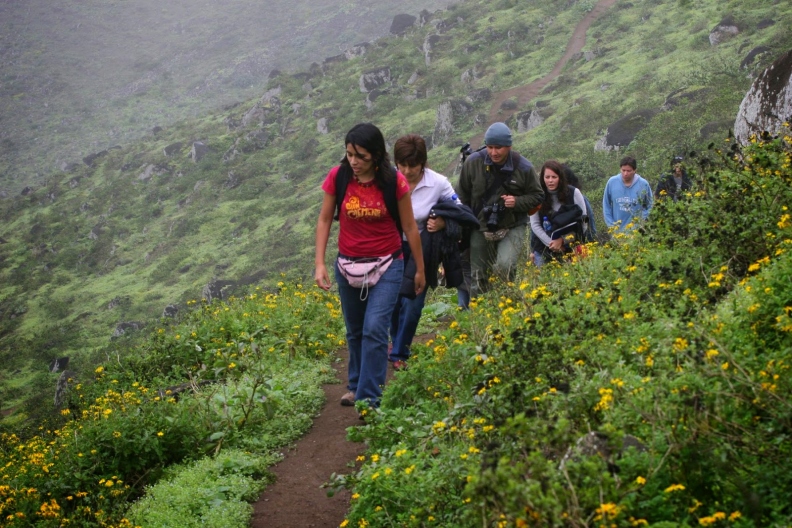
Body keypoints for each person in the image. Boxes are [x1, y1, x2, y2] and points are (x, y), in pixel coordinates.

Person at [314, 123, 425, 409]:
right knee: (355, 330)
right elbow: (325, 219)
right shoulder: (338, 177)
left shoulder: (393, 182)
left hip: (388, 264)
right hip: (347, 265)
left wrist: (421, 269)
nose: (354, 161)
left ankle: (369, 399)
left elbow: (410, 227)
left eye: (360, 156)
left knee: (375, 328)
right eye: (350, 154)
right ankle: (355, 385)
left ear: (376, 156)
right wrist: (320, 264)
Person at [388, 135, 478, 369]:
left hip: (424, 250)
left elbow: (462, 213)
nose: (407, 171)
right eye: (402, 165)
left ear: (423, 163)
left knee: (414, 302)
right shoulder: (387, 180)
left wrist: (443, 223)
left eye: (413, 166)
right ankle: (395, 340)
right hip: (391, 248)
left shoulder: (437, 183)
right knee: (393, 300)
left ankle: (400, 354)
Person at [456, 122, 544, 297]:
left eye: (499, 148)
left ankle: (506, 305)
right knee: (479, 274)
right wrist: (461, 228)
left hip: (513, 224)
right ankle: (479, 315)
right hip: (479, 225)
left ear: (509, 147)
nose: (494, 152)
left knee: (505, 266)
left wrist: (517, 201)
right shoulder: (473, 163)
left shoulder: (524, 167)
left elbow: (538, 195)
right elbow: (461, 196)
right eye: (490, 147)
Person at [529, 160, 589, 266]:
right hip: (544, 248)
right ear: (542, 178)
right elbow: (535, 224)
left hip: (572, 245)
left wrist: (564, 241)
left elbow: (584, 218)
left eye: (554, 177)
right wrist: (552, 244)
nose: (550, 181)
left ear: (560, 178)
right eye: (547, 177)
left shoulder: (574, 193)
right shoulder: (536, 195)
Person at [602, 156, 653, 232]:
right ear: (620, 169)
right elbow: (606, 205)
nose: (625, 173)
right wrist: (611, 225)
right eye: (623, 170)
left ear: (635, 170)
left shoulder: (643, 184)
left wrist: (643, 221)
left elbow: (650, 205)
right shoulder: (612, 182)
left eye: (629, 171)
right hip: (617, 232)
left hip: (637, 232)